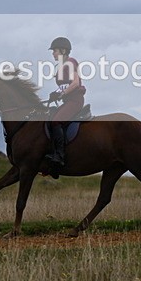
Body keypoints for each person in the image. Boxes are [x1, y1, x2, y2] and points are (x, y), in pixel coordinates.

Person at [45, 37, 86, 177]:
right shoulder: (62, 66)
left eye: (55, 51)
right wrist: (55, 94)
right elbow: (65, 86)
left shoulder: (70, 62)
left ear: (63, 50)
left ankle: (60, 156)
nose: (53, 54)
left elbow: (75, 83)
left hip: (75, 101)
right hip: (67, 101)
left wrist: (61, 93)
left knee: (56, 121)